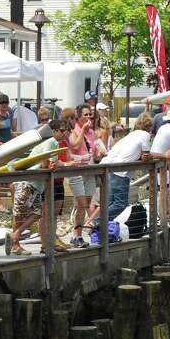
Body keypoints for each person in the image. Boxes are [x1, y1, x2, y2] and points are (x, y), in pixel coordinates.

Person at [6, 118, 69, 255]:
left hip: (33, 184)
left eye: (66, 131)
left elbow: (50, 162)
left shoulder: (53, 143)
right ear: (54, 131)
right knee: (24, 214)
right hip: (29, 183)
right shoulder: (51, 141)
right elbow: (47, 162)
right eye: (62, 131)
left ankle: (15, 237)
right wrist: (53, 165)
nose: (64, 133)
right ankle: (15, 240)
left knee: (32, 213)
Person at [101, 114, 154, 221]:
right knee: (120, 204)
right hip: (120, 172)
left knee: (111, 202)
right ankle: (97, 222)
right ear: (149, 127)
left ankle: (102, 229)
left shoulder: (131, 135)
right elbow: (146, 156)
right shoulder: (145, 135)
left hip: (109, 168)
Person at [66, 105, 99, 248]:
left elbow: (94, 150)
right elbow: (74, 147)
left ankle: (79, 234)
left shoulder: (92, 132)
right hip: (77, 172)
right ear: (78, 117)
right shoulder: (74, 131)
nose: (89, 117)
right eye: (85, 114)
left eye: (90, 114)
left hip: (89, 170)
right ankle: (76, 235)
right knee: (81, 205)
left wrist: (99, 154)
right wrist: (83, 131)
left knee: (87, 202)